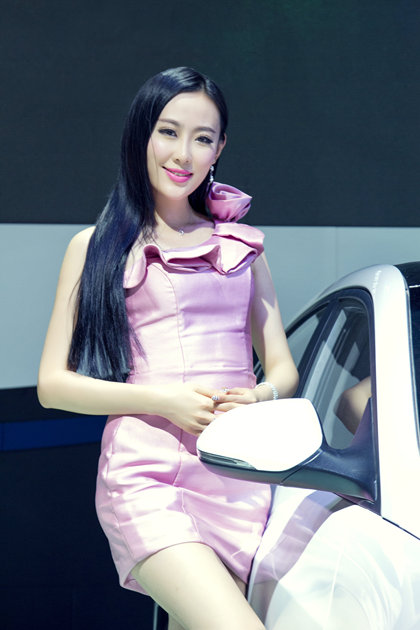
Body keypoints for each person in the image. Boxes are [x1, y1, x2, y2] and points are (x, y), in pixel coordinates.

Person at [38, 67, 298, 630]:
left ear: (219, 149)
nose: (183, 154)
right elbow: (52, 385)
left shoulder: (242, 247)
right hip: (147, 477)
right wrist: (164, 400)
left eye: (202, 138)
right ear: (142, 134)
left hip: (237, 479)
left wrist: (260, 395)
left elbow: (282, 368)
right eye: (168, 132)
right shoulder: (96, 247)